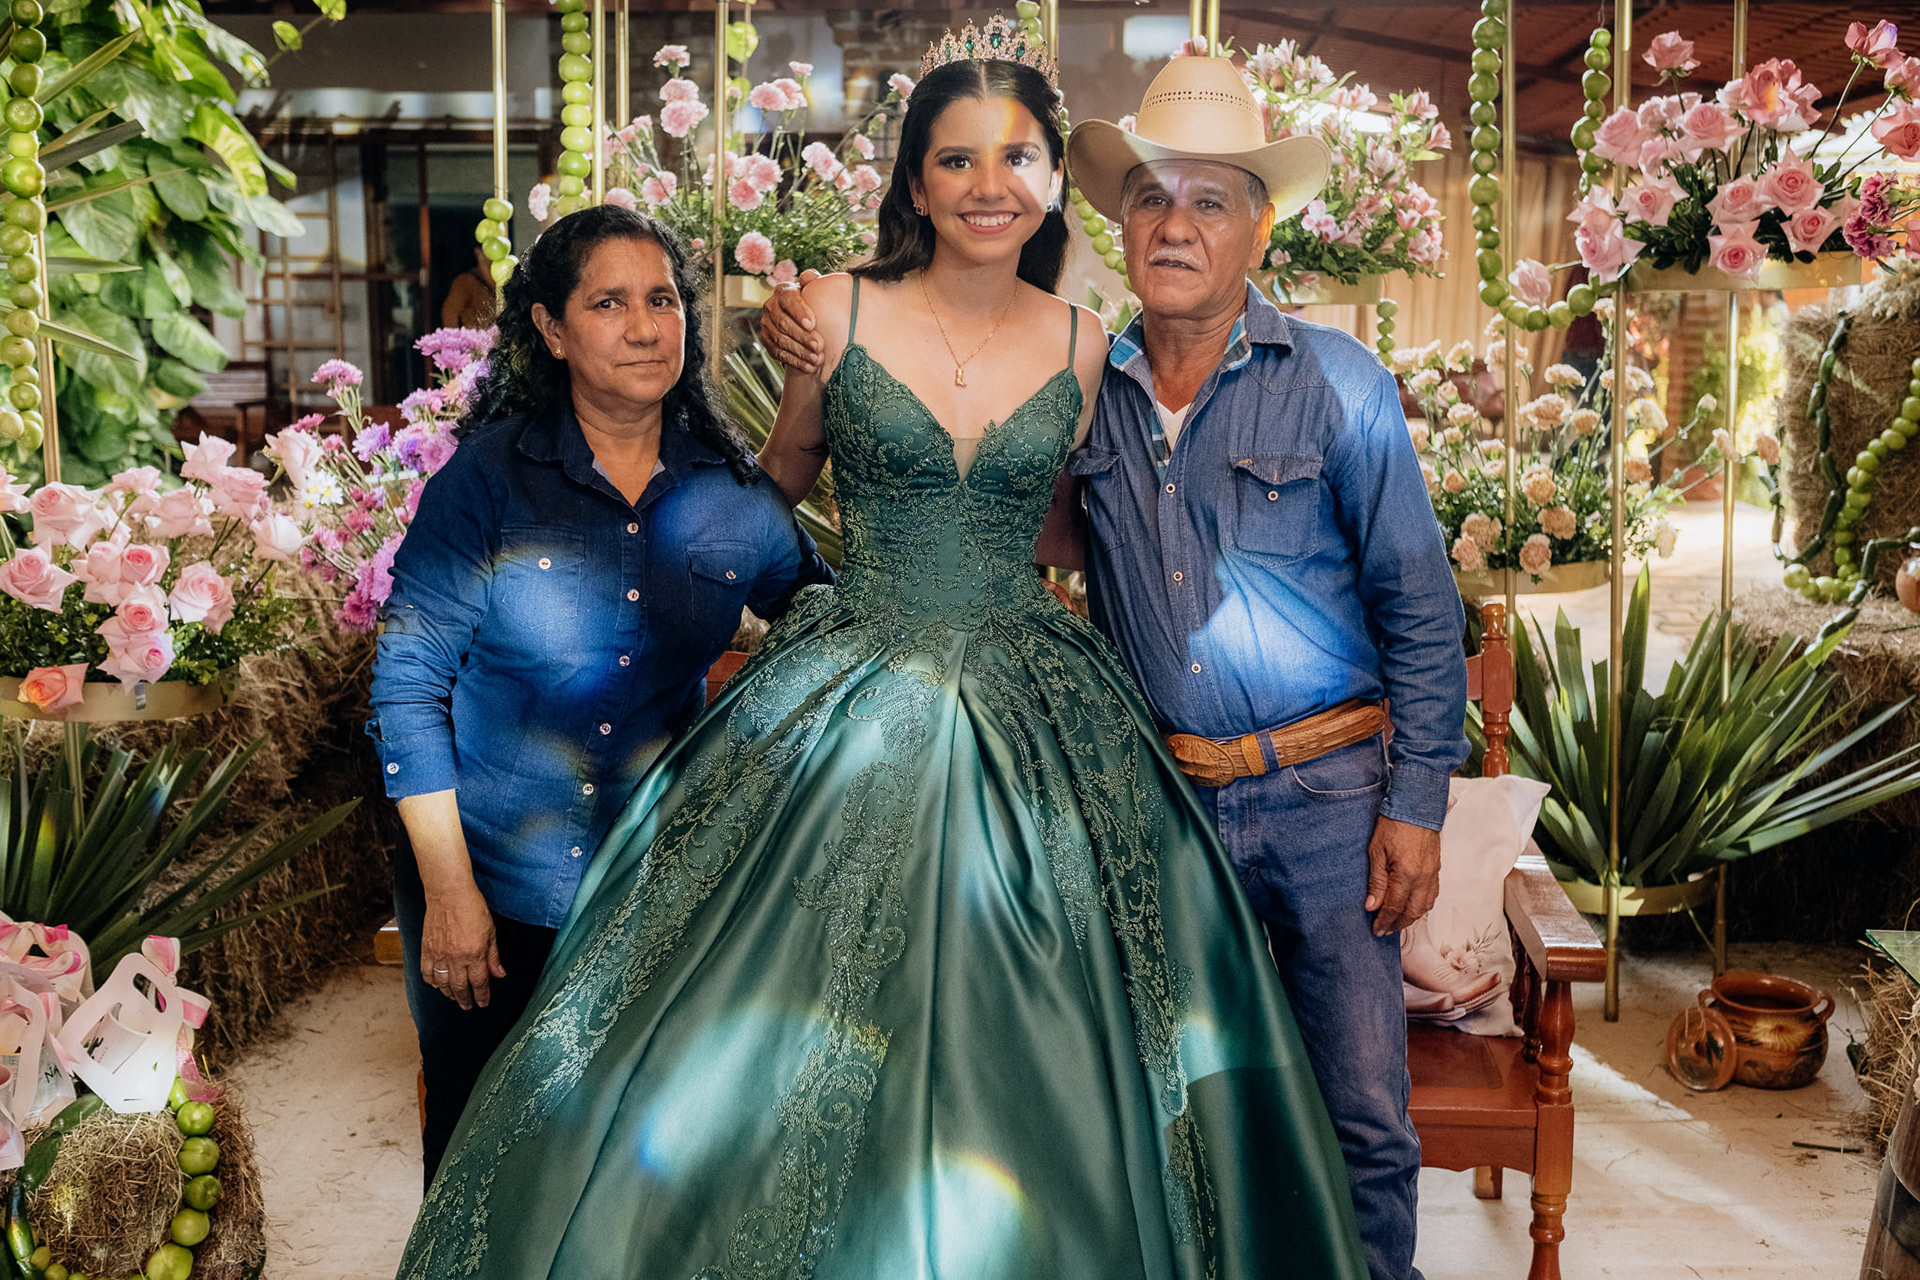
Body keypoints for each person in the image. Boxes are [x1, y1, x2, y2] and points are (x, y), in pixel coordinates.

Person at [397, 23, 1367, 1279]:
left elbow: (1070, 526)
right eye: (957, 159)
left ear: (1053, 183)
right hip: (853, 674)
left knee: (1055, 1021)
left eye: (1017, 158)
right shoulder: (832, 310)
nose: (987, 184)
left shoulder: (1087, 340)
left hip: (1036, 693)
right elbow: (771, 489)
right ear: (915, 181)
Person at [761, 55, 1468, 1280]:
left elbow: (1421, 605)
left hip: (1327, 800)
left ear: (1259, 225)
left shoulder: (1336, 383)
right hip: (1161, 796)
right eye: (1151, 198)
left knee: (1358, 1112)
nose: (1176, 225)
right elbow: (1025, 518)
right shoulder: (1098, 372)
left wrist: (1415, 806)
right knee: (1180, 1104)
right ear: (1117, 222)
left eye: (1210, 201)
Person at [369, 205, 829, 1187]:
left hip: (649, 888)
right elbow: (408, 684)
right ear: (550, 328)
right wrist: (449, 893)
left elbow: (825, 623)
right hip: (487, 877)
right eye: (609, 303)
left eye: (662, 300)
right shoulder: (486, 482)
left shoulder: (728, 495)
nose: (645, 327)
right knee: (479, 1156)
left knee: (623, 1171)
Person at [442, 244, 498, 329]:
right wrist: (455, 337)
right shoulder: (465, 281)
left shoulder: (505, 279)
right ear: (479, 252)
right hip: (475, 335)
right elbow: (449, 314)